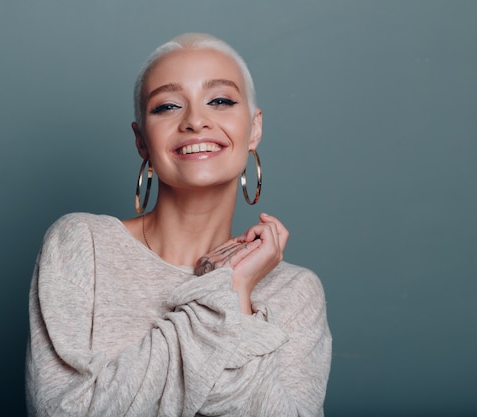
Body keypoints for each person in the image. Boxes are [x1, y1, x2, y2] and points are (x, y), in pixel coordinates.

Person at [25, 33, 331, 417]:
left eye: (220, 100)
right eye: (167, 106)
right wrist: (219, 300)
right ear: (141, 140)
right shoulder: (81, 245)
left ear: (254, 129)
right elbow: (62, 411)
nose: (195, 121)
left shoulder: (295, 292)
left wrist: (236, 294)